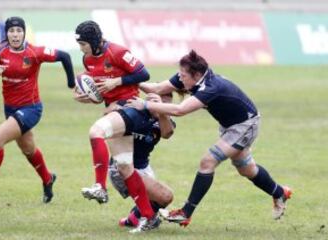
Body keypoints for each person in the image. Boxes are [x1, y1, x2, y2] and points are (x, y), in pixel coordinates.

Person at [126, 50, 292, 226]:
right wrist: (127, 80)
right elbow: (158, 88)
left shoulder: (211, 87)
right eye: (180, 75)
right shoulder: (191, 76)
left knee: (208, 161)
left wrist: (145, 104)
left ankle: (186, 212)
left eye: (183, 76)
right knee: (246, 169)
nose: (180, 79)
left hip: (245, 125)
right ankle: (280, 192)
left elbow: (180, 110)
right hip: (232, 125)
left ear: (196, 75)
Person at [0, 16, 75, 203]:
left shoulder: (35, 52)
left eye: (19, 31)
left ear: (24, 33)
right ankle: (48, 179)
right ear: (6, 33)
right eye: (11, 31)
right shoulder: (0, 52)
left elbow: (65, 56)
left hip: (31, 108)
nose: (15, 35)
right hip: (10, 110)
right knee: (29, 149)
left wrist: (71, 83)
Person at [73, 20, 158, 233]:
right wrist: (88, 97)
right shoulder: (87, 59)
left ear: (93, 41)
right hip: (116, 112)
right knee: (124, 168)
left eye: (83, 43)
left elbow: (143, 74)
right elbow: (98, 90)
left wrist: (117, 82)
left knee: (96, 132)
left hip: (132, 108)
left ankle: (100, 187)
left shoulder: (118, 52)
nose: (81, 48)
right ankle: (148, 217)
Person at [108, 93, 175, 228]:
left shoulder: (164, 119)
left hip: (144, 168)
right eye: (158, 100)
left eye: (166, 103)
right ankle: (141, 220)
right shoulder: (133, 111)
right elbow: (108, 116)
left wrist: (162, 111)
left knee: (160, 201)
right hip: (121, 168)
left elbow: (167, 133)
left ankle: (131, 220)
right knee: (165, 196)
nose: (162, 104)